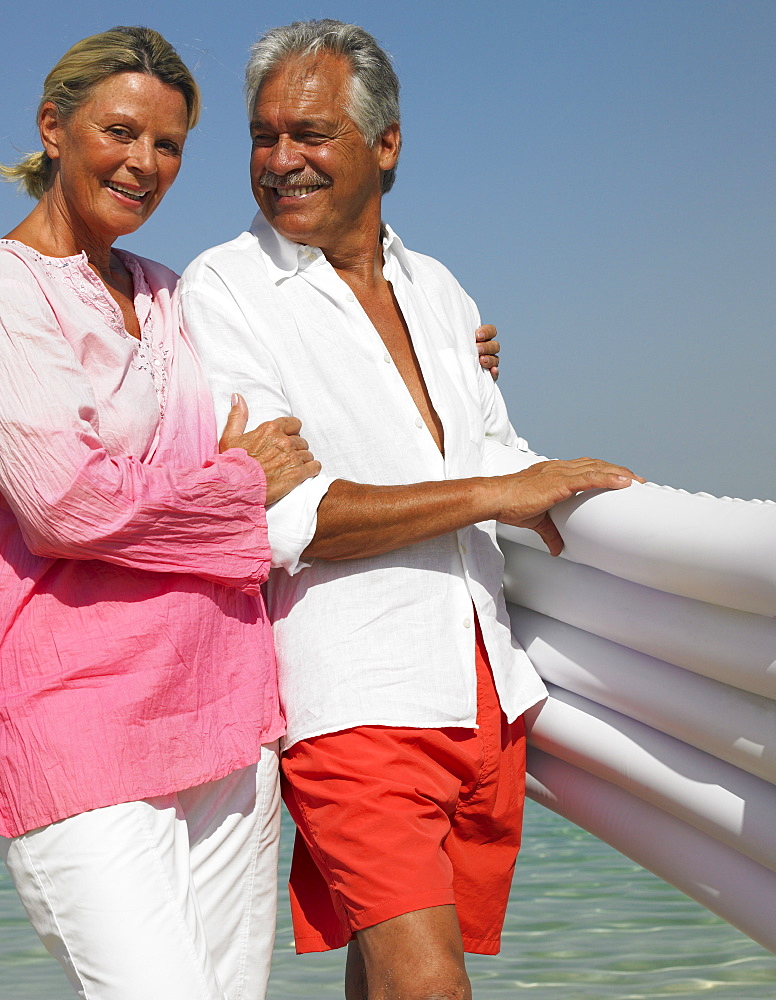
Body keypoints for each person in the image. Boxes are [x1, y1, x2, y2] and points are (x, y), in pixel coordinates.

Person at [179, 19, 644, 1000]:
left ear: (384, 144)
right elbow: (285, 516)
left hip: (482, 683)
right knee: (427, 986)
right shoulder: (223, 290)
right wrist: (496, 493)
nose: (279, 160)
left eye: (309, 133)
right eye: (263, 136)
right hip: (350, 697)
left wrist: (592, 505)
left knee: (389, 973)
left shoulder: (437, 289)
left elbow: (496, 453)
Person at [0, 27, 325, 1000]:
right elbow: (69, 500)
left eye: (170, 143)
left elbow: (298, 356)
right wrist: (236, 484)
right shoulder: (0, 288)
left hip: (226, 717)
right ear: (53, 128)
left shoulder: (174, 295)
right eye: (121, 131)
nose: (145, 163)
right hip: (76, 722)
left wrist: (458, 353)